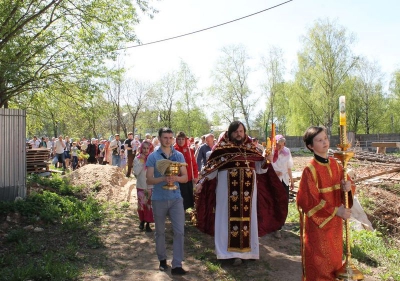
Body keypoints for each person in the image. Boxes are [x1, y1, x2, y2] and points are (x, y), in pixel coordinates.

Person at [195, 121, 288, 266]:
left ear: (244, 133)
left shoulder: (251, 149)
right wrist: (201, 182)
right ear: (230, 133)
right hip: (226, 195)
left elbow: (260, 169)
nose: (239, 134)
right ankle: (226, 254)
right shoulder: (221, 150)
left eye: (241, 131)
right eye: (236, 131)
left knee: (248, 220)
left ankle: (247, 253)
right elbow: (211, 171)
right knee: (225, 220)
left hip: (247, 194)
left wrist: (267, 161)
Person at [297, 126, 354, 281]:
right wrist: (337, 211)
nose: (324, 142)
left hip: (335, 226)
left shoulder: (337, 165)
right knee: (319, 265)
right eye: (319, 140)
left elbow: (348, 191)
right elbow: (308, 201)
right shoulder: (310, 169)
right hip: (318, 227)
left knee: (335, 263)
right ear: (310, 146)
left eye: (326, 138)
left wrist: (347, 189)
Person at [145, 127, 188, 275]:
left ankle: (177, 264)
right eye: (165, 138)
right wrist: (163, 178)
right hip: (159, 199)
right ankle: (162, 260)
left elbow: (185, 177)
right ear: (159, 138)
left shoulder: (179, 155)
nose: (168, 140)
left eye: (170, 138)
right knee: (160, 232)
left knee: (179, 232)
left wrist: (175, 178)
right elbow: (149, 178)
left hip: (176, 198)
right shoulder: (153, 156)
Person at [271, 134, 295, 239]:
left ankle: (280, 225)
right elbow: (265, 166)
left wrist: (292, 180)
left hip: (284, 180)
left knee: (284, 203)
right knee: (275, 202)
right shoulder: (270, 151)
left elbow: (289, 167)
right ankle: (275, 226)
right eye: (278, 144)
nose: (280, 146)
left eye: (282, 144)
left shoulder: (287, 151)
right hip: (274, 181)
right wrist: (274, 172)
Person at [173, 131, 199, 210]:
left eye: (182, 139)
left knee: (188, 196)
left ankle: (184, 211)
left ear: (185, 140)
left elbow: (194, 164)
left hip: (188, 178)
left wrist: (195, 176)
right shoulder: (173, 150)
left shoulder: (189, 150)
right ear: (176, 140)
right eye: (179, 139)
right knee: (179, 196)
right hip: (177, 178)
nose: (181, 141)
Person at [133, 141, 155, 232]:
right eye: (144, 148)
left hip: (150, 186)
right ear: (141, 149)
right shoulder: (137, 159)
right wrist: (142, 161)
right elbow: (136, 173)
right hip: (141, 186)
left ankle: (148, 224)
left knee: (149, 206)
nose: (146, 150)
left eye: (147, 148)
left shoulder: (152, 158)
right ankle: (142, 221)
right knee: (141, 205)